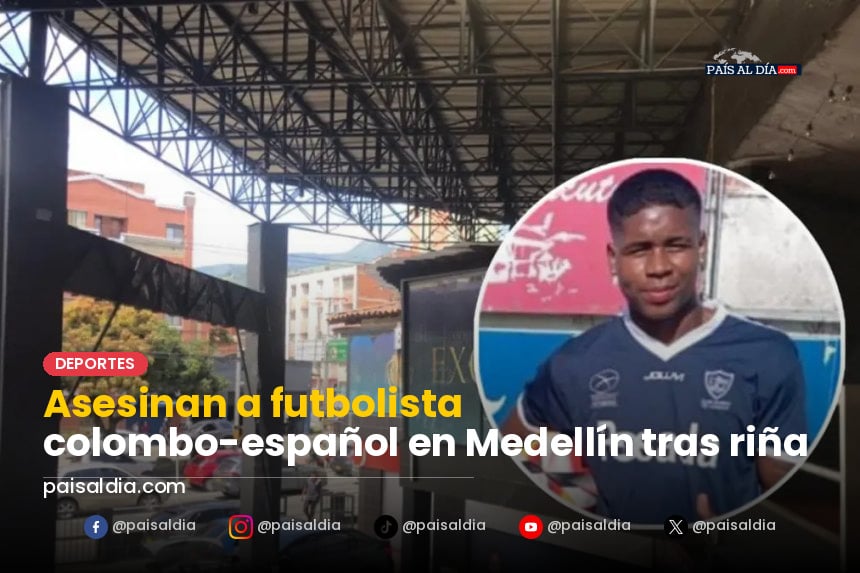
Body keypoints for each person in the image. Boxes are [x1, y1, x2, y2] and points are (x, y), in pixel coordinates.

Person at [503, 168, 807, 524]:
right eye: (639, 250)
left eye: (676, 245)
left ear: (702, 247)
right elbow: (513, 444)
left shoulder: (768, 355)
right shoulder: (573, 364)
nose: (659, 267)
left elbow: (785, 494)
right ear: (612, 259)